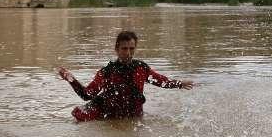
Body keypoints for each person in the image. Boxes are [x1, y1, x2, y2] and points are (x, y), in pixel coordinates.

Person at [57, 30, 194, 122]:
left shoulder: (141, 68)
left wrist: (179, 83)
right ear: (116, 49)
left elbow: (160, 81)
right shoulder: (107, 72)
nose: (128, 53)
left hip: (133, 115)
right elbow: (87, 94)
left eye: (131, 48)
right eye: (124, 49)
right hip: (109, 115)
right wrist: (71, 79)